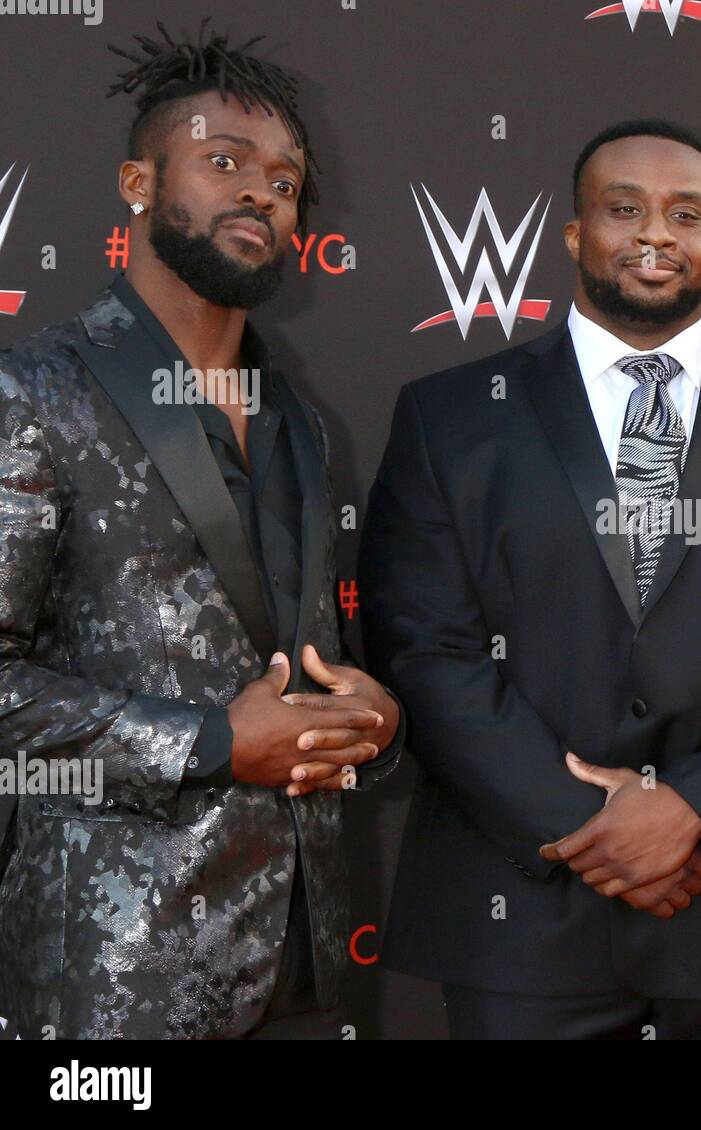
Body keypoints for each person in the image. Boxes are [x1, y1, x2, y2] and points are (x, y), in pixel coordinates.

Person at [360, 118, 701, 1040]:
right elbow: (424, 649)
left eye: (686, 215)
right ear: (574, 235)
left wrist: (695, 812)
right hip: (520, 918)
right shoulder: (450, 418)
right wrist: (588, 824)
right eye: (623, 209)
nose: (655, 235)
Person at [0, 23, 402, 1040]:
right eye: (223, 161)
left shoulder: (298, 420)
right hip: (114, 975)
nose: (262, 192)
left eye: (283, 177)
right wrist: (214, 739)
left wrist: (366, 720)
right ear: (139, 179)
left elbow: (295, 656)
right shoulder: (33, 391)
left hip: (299, 957)